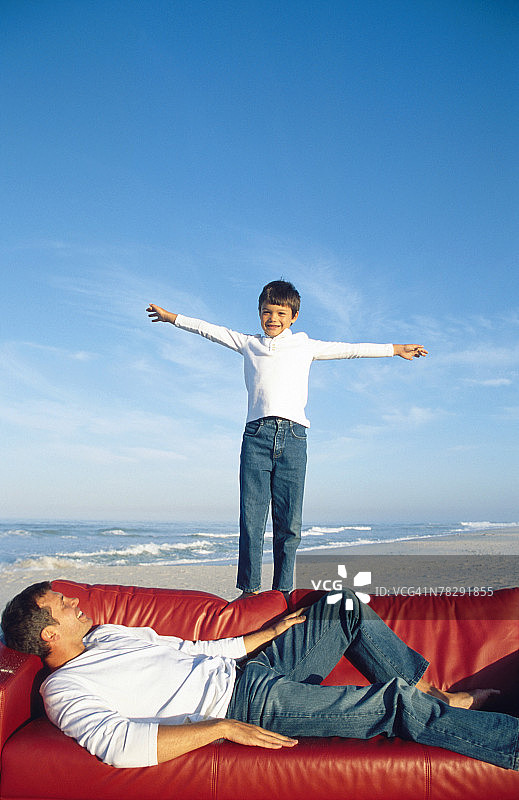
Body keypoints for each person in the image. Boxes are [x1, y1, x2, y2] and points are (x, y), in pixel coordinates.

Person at [2, 581, 517, 771]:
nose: (75, 601)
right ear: (49, 635)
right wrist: (221, 728)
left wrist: (266, 635)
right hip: (245, 705)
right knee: (395, 705)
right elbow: (120, 746)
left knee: (341, 602)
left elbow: (191, 647)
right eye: (62, 605)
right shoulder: (66, 689)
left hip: (248, 668)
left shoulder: (106, 634)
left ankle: (443, 697)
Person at [147, 281, 427, 596]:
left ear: (293, 316)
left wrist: (396, 349)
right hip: (256, 437)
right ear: (259, 313)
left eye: (281, 312)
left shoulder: (305, 345)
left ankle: (282, 593)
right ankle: (249, 591)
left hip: (294, 438)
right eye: (267, 312)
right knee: (252, 520)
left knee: (289, 525)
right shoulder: (248, 343)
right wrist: (173, 318)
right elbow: (208, 330)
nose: (273, 318)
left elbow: (351, 349)